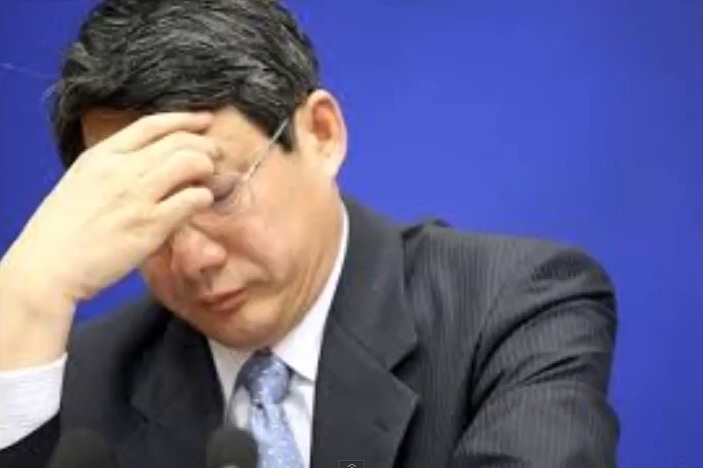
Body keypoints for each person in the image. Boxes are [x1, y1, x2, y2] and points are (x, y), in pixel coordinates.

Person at [0, 0, 619, 467]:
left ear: (321, 134)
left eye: (218, 194)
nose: (192, 258)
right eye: (148, 216)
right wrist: (25, 296)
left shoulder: (513, 307)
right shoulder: (77, 381)